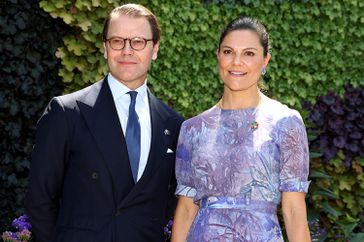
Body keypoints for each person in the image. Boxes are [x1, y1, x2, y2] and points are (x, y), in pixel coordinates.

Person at [25, 3, 184, 242]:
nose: (127, 51)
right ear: (105, 48)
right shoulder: (67, 112)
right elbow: (39, 199)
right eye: (117, 41)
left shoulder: (173, 124)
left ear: (155, 49)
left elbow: (170, 203)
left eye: (138, 41)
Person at [171, 16, 311, 242]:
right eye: (228, 52)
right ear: (218, 56)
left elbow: (294, 211)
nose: (236, 61)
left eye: (249, 53)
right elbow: (186, 209)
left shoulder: (285, 122)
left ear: (265, 60)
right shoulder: (193, 129)